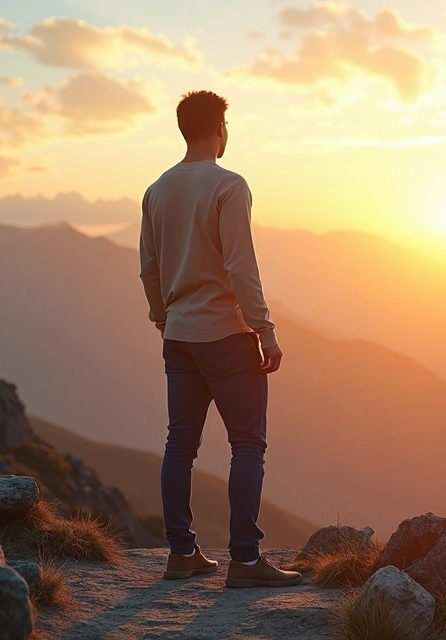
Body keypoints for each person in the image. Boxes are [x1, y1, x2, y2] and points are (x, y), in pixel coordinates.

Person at [140, 90, 301, 588]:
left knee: (180, 444)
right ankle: (246, 561)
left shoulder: (156, 190)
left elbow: (149, 268)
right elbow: (240, 266)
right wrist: (265, 331)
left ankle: (182, 554)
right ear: (219, 129)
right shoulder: (229, 186)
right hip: (226, 337)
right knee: (247, 444)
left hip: (179, 337)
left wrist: (164, 320)